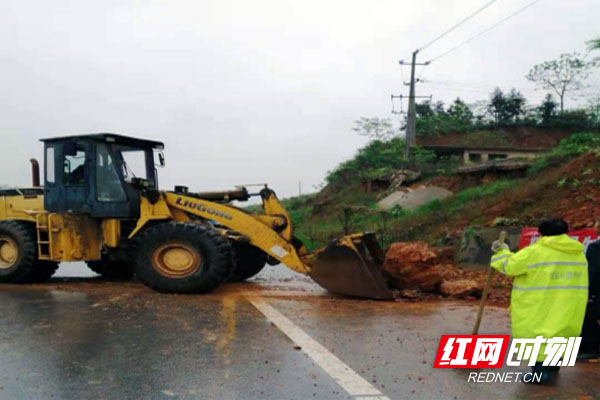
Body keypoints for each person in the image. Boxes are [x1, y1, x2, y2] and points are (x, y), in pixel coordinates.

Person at [490, 218, 589, 384]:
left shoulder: (536, 252)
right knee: (561, 333)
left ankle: (540, 373)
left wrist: (501, 252)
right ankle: (552, 367)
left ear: (540, 233)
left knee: (538, 336)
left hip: (540, 305)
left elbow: (510, 266)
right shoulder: (578, 253)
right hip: (569, 305)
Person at [579, 217, 600, 359]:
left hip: (597, 292)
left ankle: (591, 349)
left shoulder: (595, 247)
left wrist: (586, 292)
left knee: (589, 316)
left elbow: (592, 272)